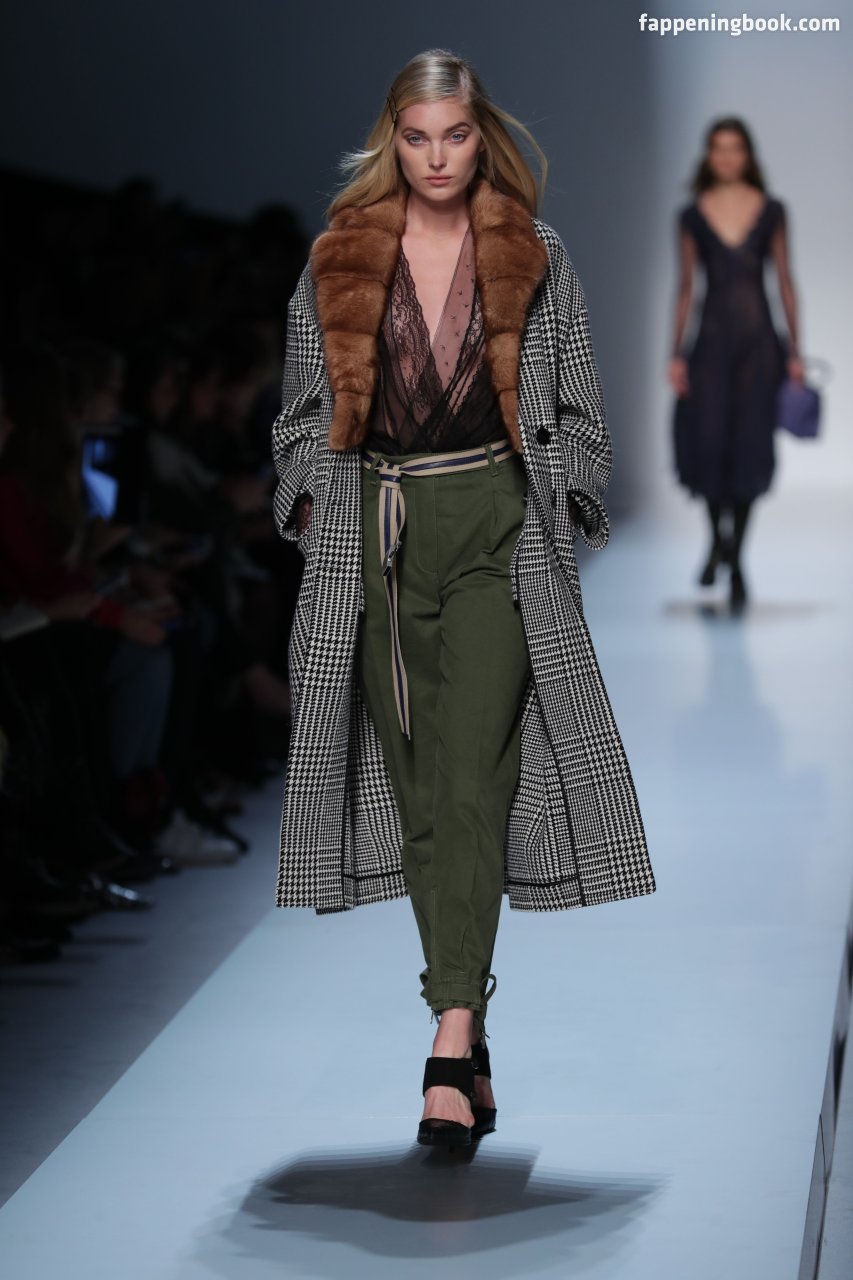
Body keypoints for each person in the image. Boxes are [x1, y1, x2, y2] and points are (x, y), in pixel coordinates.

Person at [272, 48, 656, 1148]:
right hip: (379, 533)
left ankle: (446, 1040)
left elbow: (577, 405)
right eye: (416, 138)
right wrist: (315, 505)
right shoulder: (337, 257)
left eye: (453, 135)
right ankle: (471, 1032)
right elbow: (300, 415)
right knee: (420, 798)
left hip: (495, 525)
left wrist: (561, 491)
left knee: (474, 776)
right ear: (391, 141)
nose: (436, 157)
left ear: (480, 135)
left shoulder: (535, 253)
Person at [669, 116, 803, 610]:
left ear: (748, 155)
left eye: (735, 148)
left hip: (758, 347)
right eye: (719, 148)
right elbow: (686, 287)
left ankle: (737, 558)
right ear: (708, 155)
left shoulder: (772, 210)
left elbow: (784, 280)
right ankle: (717, 541)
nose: (727, 156)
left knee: (749, 449)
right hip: (710, 345)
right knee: (708, 446)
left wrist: (796, 352)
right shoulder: (691, 215)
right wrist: (675, 354)